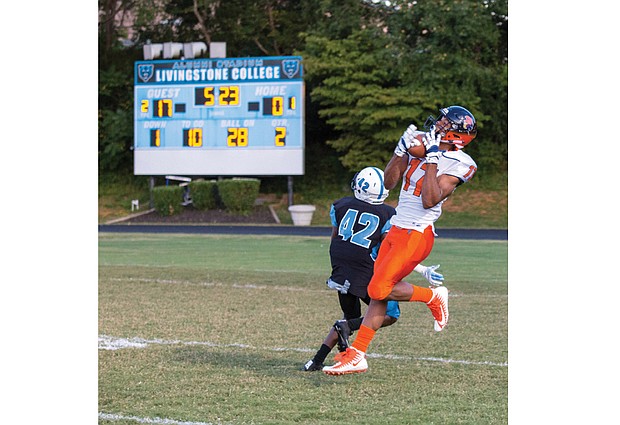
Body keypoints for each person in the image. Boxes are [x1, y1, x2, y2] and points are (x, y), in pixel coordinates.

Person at [322, 105, 478, 375]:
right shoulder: (422, 141)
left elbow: (430, 200)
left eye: (444, 124)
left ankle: (433, 296)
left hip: (417, 234)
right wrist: (400, 151)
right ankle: (357, 355)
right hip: (396, 228)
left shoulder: (462, 163)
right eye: (439, 121)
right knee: (377, 294)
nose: (437, 126)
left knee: (378, 289)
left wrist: (430, 158)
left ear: (458, 135)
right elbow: (390, 182)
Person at [302, 166, 444, 372]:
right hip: (367, 271)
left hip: (340, 270)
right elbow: (391, 251)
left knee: (349, 319)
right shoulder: (388, 214)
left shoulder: (339, 205)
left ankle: (315, 361)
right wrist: (421, 269)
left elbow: (336, 239)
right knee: (388, 315)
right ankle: (346, 335)